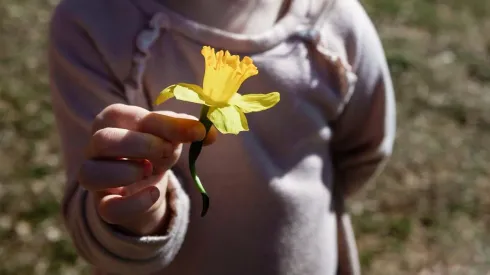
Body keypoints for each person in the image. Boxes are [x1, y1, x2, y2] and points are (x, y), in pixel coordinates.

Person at [48, 0, 396, 274]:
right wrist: (138, 213)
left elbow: (364, 151)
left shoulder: (335, 24)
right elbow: (93, 205)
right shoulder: (94, 25)